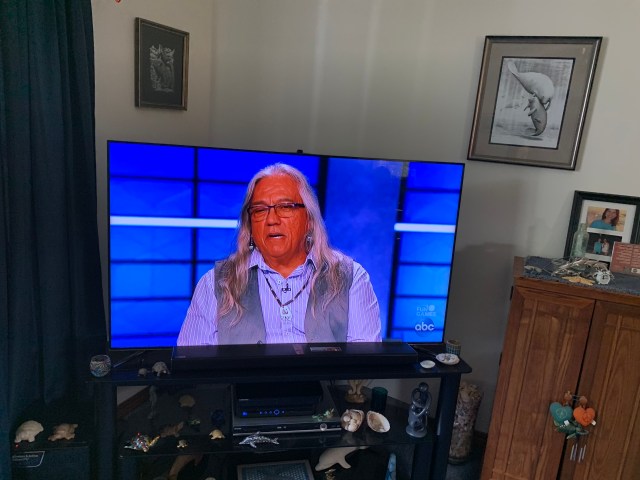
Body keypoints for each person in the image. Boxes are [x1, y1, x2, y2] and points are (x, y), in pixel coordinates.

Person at [177, 163, 381, 345]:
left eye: (285, 207)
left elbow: (363, 366)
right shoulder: (215, 284)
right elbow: (192, 366)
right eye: (260, 210)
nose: (272, 219)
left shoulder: (351, 277)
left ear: (309, 220)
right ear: (250, 224)